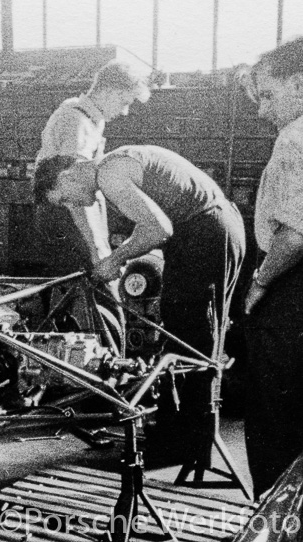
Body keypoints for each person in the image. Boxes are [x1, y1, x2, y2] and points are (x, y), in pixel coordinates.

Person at [34, 145, 246, 458]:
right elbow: (153, 224)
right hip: (207, 229)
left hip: (207, 231)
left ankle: (185, 443)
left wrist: (116, 257)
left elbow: (159, 228)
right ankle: (183, 436)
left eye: (64, 198)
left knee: (190, 337)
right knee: (185, 332)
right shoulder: (115, 164)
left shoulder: (110, 175)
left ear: (67, 175)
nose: (71, 205)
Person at [242, 36, 303, 499]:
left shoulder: (295, 135)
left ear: (299, 85)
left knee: (275, 414)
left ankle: (276, 521)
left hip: (293, 285)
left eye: (268, 94)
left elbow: (296, 231)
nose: (261, 109)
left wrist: (260, 284)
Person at [36, 60, 151, 270]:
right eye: (124, 102)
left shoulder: (90, 117)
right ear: (108, 91)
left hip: (71, 209)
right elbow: (75, 192)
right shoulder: (77, 122)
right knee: (90, 278)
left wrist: (103, 242)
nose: (125, 111)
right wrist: (96, 248)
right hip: (67, 213)